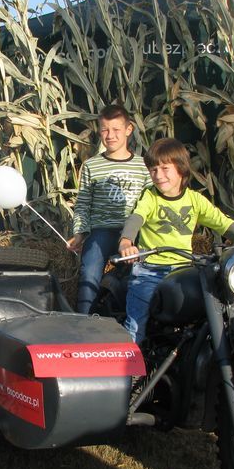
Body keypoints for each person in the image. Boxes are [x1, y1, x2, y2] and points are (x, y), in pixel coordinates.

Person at [117, 137, 234, 343]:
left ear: (181, 169)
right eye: (153, 170)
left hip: (183, 271)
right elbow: (136, 218)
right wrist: (126, 241)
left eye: (165, 168)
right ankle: (132, 371)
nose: (158, 176)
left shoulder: (195, 200)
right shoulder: (150, 197)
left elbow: (225, 225)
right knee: (135, 326)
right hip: (150, 271)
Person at [66, 104, 151, 314]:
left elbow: (151, 202)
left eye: (116, 130)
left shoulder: (143, 166)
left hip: (134, 233)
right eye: (104, 130)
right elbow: (83, 204)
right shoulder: (92, 166)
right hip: (102, 230)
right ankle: (85, 322)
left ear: (128, 130)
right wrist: (79, 232)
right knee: (89, 274)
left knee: (141, 275)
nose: (110, 135)